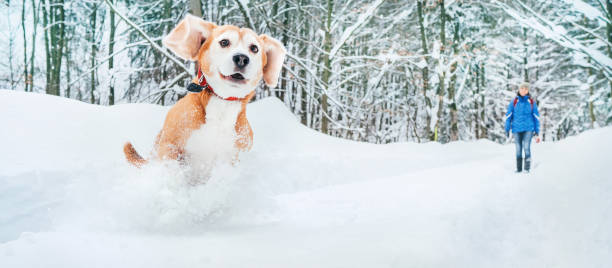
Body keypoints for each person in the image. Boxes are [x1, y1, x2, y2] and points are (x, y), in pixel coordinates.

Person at [505, 82, 541, 173]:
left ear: (528, 91)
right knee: (518, 148)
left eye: (526, 89)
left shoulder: (531, 102)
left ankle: (527, 169)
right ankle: (519, 169)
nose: (523, 90)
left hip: (528, 128)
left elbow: (536, 117)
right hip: (516, 129)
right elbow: (508, 116)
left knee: (526, 147)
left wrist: (537, 132)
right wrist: (507, 129)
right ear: (519, 89)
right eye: (522, 88)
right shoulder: (514, 102)